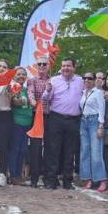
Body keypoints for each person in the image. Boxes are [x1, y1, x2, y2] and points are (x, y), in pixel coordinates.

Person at [41, 57, 84, 190]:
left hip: (73, 120)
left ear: (74, 67)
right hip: (56, 118)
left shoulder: (80, 81)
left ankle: (67, 181)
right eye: (64, 66)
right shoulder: (54, 80)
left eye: (69, 66)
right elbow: (44, 99)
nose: (66, 68)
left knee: (70, 152)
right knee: (53, 150)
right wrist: (47, 90)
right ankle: (51, 180)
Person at [79, 71, 107, 192]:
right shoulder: (83, 92)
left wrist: (101, 126)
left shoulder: (99, 92)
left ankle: (102, 179)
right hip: (83, 121)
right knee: (85, 151)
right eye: (84, 78)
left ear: (95, 80)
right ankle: (88, 178)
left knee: (96, 152)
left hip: (95, 121)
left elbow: (102, 109)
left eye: (89, 78)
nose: (86, 80)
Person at [26, 56, 51, 188]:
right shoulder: (32, 80)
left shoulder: (54, 81)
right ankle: (34, 177)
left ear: (48, 66)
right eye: (39, 64)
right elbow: (30, 93)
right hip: (36, 116)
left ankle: (47, 177)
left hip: (51, 117)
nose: (41, 66)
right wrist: (33, 101)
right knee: (35, 148)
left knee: (49, 148)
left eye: (44, 64)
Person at [9, 67, 32, 185]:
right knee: (15, 149)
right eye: (18, 74)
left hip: (28, 123)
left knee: (23, 150)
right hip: (16, 122)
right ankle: (13, 175)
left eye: (23, 74)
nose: (21, 76)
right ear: (14, 76)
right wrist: (18, 97)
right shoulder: (13, 88)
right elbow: (14, 102)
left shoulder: (27, 89)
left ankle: (18, 174)